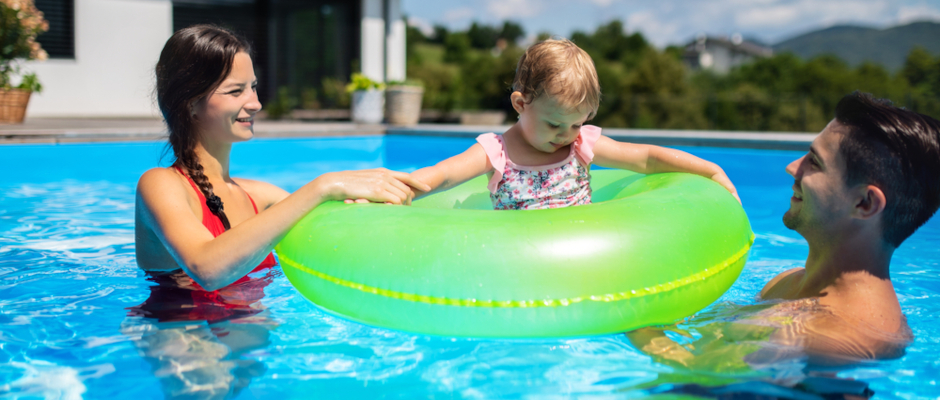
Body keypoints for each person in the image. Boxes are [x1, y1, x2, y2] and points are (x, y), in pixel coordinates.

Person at [629, 92, 940, 370]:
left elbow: (699, 372)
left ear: (864, 203)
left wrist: (633, 310)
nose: (792, 166)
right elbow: (709, 336)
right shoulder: (790, 282)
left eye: (814, 162)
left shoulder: (837, 336)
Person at [134, 24, 429, 292]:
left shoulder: (260, 196)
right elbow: (207, 269)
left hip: (251, 340)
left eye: (253, 87)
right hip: (182, 335)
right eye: (236, 91)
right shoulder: (161, 185)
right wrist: (323, 186)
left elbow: (343, 230)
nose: (256, 103)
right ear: (191, 104)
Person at [409, 38, 738, 208]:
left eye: (576, 124)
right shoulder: (496, 152)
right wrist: (396, 190)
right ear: (521, 104)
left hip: (580, 257)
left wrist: (709, 169)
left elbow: (646, 158)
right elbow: (445, 174)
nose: (565, 135)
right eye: (554, 125)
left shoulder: (582, 145)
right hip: (519, 259)